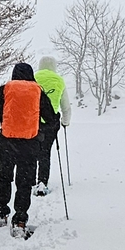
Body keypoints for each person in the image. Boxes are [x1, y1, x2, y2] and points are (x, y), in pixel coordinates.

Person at [0, 62, 59, 238]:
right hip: (29, 145)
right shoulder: (38, 91)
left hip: (6, 143)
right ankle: (20, 221)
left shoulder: (4, 90)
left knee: (4, 177)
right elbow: (50, 120)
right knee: (24, 183)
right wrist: (41, 135)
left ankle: (1, 214)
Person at [32, 55, 71, 196]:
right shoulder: (59, 81)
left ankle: (29, 179)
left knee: (31, 150)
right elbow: (65, 106)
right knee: (45, 152)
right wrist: (65, 122)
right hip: (51, 124)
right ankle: (42, 181)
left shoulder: (34, 78)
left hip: (33, 122)